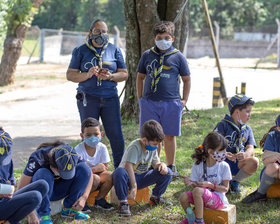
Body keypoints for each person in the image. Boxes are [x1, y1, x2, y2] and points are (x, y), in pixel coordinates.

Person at [66, 19, 128, 169]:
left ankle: (120, 170)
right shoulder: (80, 51)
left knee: (116, 135)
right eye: (98, 31)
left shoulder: (115, 50)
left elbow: (124, 74)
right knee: (89, 135)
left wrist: (111, 76)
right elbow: (70, 75)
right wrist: (87, 75)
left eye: (104, 32)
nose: (101, 34)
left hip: (110, 98)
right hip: (88, 98)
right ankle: (85, 169)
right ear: (90, 32)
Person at [136, 21, 191, 175]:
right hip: (149, 103)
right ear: (155, 39)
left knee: (169, 135)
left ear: (172, 38)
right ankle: (155, 163)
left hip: (171, 103)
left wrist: (184, 100)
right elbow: (140, 77)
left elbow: (187, 79)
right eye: (160, 37)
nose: (163, 40)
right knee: (152, 135)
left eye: (167, 37)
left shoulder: (178, 57)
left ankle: (171, 165)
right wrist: (141, 98)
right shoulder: (147, 55)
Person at [17, 141, 93, 224]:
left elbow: (89, 173)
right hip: (42, 192)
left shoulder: (71, 155)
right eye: (61, 172)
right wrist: (31, 214)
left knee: (84, 168)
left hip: (60, 188)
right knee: (43, 173)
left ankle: (69, 209)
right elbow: (21, 190)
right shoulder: (39, 158)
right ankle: (42, 214)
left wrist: (84, 197)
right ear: (52, 165)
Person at [112, 120, 172, 216]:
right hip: (127, 178)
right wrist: (134, 186)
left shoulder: (152, 148)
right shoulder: (135, 146)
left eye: (157, 144)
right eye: (154, 144)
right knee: (119, 172)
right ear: (144, 140)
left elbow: (155, 164)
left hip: (141, 177)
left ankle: (155, 197)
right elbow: (128, 166)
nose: (156, 147)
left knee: (167, 172)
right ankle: (123, 202)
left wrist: (162, 165)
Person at [177, 132, 232, 224]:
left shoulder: (224, 166)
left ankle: (199, 221)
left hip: (218, 200)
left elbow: (225, 189)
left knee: (198, 191)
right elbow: (195, 187)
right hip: (203, 198)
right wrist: (190, 182)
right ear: (210, 152)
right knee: (183, 196)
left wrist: (210, 185)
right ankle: (191, 219)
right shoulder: (198, 165)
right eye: (222, 151)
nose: (225, 154)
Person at [0, 127, 49, 224]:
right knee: (35, 196)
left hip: (6, 201)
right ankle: (11, 222)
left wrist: (9, 190)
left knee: (42, 185)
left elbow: (11, 184)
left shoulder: (7, 162)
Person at [214, 94, 259, 193]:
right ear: (237, 112)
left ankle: (234, 183)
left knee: (254, 162)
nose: (249, 115)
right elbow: (214, 145)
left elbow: (250, 147)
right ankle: (221, 182)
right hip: (222, 162)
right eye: (247, 111)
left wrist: (246, 154)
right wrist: (225, 154)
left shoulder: (247, 129)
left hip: (238, 163)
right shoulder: (223, 125)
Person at [74, 117, 113, 211]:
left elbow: (105, 167)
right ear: (82, 136)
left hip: (98, 178)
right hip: (82, 181)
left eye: (96, 134)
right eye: (88, 135)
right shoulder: (77, 150)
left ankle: (100, 199)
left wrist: (96, 169)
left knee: (110, 175)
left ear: (101, 134)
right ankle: (81, 200)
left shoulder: (102, 148)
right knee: (95, 178)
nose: (92, 138)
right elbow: (77, 173)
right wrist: (94, 169)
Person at [242, 114, 280, 204]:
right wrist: (276, 155)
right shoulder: (273, 136)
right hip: (272, 176)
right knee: (273, 166)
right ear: (278, 128)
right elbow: (265, 160)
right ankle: (260, 194)